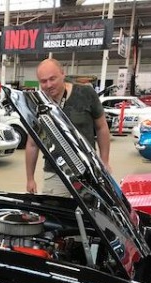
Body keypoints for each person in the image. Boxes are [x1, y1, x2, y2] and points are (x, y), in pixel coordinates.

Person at [25, 58, 111, 197]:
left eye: (52, 79)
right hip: (55, 173)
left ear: (62, 74)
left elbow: (101, 128)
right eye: (43, 81)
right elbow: (32, 144)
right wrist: (30, 178)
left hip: (88, 170)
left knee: (92, 216)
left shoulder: (86, 94)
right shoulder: (38, 104)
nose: (48, 85)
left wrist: (104, 161)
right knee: (55, 215)